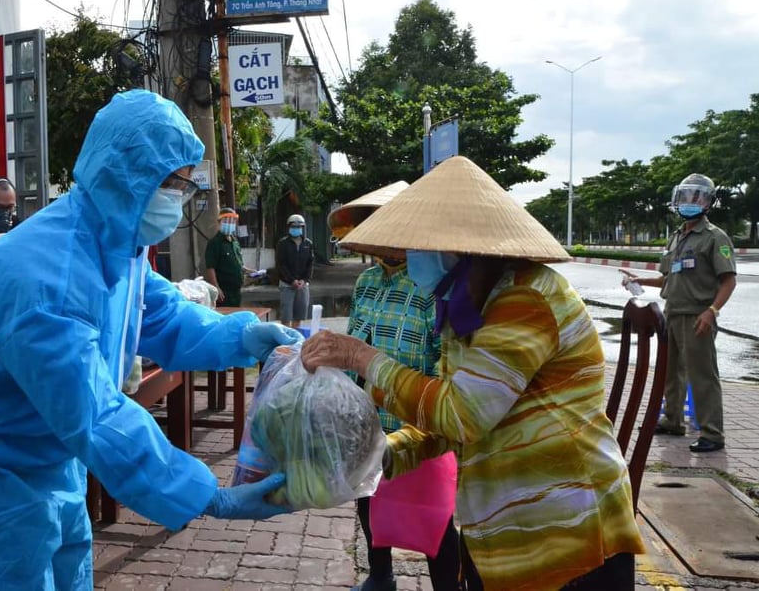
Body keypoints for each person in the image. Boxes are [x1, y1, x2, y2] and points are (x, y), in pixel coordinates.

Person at [0, 89, 300, 590]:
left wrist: (243, 336)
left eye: (184, 186)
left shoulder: (119, 245)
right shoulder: (41, 271)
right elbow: (93, 410)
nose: (178, 199)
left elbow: (163, 318)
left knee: (69, 570)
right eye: (171, 184)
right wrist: (206, 494)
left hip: (51, 451)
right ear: (125, 173)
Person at [302, 156, 644, 591]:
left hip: (562, 527)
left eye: (419, 247)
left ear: (460, 249)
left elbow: (462, 415)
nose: (410, 258)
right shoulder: (464, 307)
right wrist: (382, 453)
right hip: (502, 519)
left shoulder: (525, 300)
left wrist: (365, 360)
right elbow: (448, 418)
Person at [332, 184, 458, 591]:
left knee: (434, 516)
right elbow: (354, 339)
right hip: (366, 415)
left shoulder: (433, 285)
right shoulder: (367, 281)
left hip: (419, 419)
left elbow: (447, 357)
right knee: (368, 501)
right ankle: (381, 575)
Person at [621, 173, 736, 453]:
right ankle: (673, 420)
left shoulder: (714, 237)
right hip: (672, 312)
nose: (689, 202)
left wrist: (712, 311)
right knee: (671, 372)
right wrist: (640, 280)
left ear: (708, 203)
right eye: (685, 196)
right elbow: (669, 278)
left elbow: (729, 280)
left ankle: (712, 434)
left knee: (702, 375)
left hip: (697, 316)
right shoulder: (677, 237)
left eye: (696, 197)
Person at [204, 207, 254, 306]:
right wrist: (216, 288)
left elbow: (238, 263)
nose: (230, 224)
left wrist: (250, 271)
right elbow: (210, 268)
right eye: (226, 221)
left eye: (232, 221)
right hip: (224, 292)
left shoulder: (235, 242)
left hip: (237, 291)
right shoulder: (215, 243)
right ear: (219, 222)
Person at [276, 213, 313, 328]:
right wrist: (292, 280)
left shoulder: (308, 244)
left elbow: (310, 264)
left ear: (302, 228)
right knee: (286, 316)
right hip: (287, 285)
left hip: (302, 285)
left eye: (299, 227)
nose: (296, 229)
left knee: (299, 316)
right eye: (294, 227)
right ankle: (286, 341)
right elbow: (281, 265)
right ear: (289, 228)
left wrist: (304, 280)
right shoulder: (283, 243)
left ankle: (296, 340)